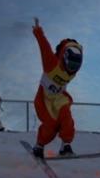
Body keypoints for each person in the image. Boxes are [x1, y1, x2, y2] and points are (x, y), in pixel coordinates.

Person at [31, 17, 83, 158]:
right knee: (51, 125)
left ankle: (65, 145)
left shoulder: (74, 70)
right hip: (44, 99)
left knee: (66, 116)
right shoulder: (51, 63)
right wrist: (37, 30)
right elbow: (44, 46)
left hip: (59, 98)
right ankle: (39, 145)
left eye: (75, 67)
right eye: (70, 65)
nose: (71, 70)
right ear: (64, 58)